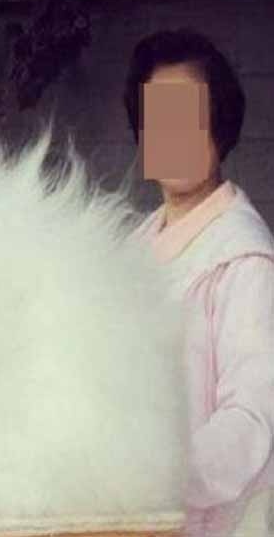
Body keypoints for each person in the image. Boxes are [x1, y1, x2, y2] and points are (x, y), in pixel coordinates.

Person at [125, 28, 274, 537]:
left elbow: (253, 417)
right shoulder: (132, 246)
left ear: (219, 125)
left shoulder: (244, 259)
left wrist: (157, 474)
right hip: (132, 516)